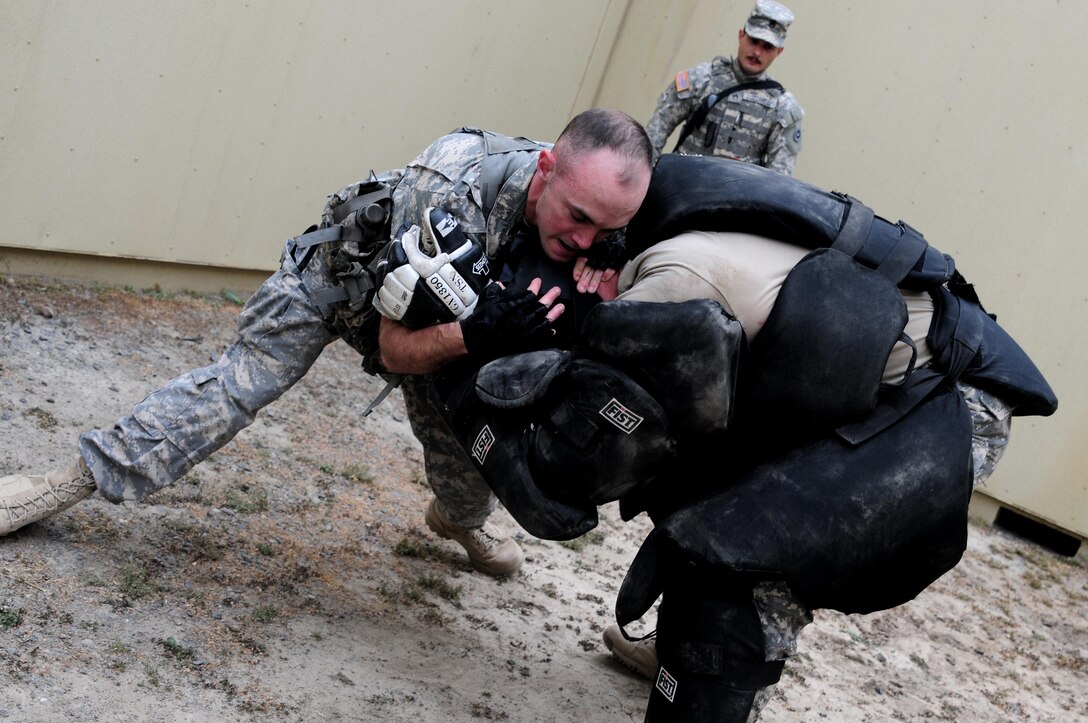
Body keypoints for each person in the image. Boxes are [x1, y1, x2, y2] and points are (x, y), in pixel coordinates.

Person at [429, 153, 1057, 721]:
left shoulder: (669, 286)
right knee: (694, 474)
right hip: (846, 374)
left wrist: (482, 383)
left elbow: (568, 479)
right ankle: (673, 652)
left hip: (943, 399)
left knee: (738, 574)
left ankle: (708, 676)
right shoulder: (661, 215)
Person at [0, 109, 654, 582]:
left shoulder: (595, 209)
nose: (587, 238)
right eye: (578, 217)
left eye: (610, 227)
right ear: (546, 169)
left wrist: (611, 264)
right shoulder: (451, 183)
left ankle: (456, 519)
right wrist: (482, 332)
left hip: (452, 318)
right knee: (235, 387)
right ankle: (69, 480)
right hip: (341, 285)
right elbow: (396, 349)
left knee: (474, 450)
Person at [645, 0, 803, 175]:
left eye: (767, 47)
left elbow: (780, 177)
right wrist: (645, 181)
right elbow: (656, 131)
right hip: (683, 187)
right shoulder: (700, 79)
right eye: (754, 41)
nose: (757, 52)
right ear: (741, 35)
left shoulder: (782, 107)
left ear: (779, 52)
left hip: (735, 199)